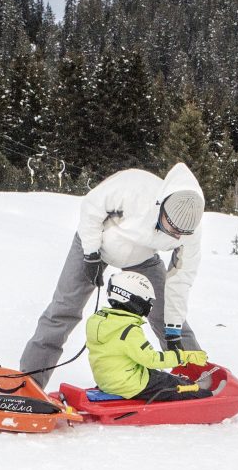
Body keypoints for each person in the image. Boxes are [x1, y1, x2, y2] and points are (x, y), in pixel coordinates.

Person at [20, 162, 205, 385]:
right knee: (63, 310)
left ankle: (198, 381)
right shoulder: (133, 189)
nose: (176, 237)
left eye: (182, 234)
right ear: (162, 207)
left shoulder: (189, 232)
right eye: (172, 229)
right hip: (96, 243)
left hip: (142, 258)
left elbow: (180, 281)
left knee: (167, 317)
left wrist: (173, 330)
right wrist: (90, 254)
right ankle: (29, 383)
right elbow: (91, 208)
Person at [85, 270, 215, 401]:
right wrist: (182, 356)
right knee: (169, 384)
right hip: (131, 385)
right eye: (147, 301)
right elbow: (152, 359)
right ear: (133, 300)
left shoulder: (96, 321)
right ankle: (206, 395)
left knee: (157, 375)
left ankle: (189, 384)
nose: (150, 306)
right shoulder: (128, 330)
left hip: (108, 382)